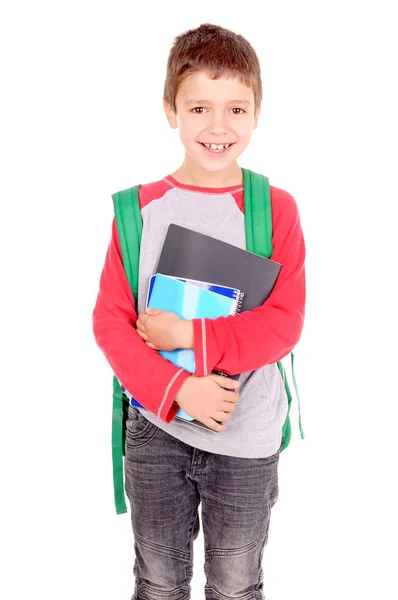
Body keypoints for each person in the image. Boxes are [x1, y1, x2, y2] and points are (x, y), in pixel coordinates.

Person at [92, 22, 306, 600]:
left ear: (257, 112)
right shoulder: (137, 211)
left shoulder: (274, 209)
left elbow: (284, 320)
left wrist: (189, 332)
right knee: (158, 583)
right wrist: (179, 389)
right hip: (156, 433)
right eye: (199, 107)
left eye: (236, 108)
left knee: (236, 586)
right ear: (171, 111)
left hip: (247, 437)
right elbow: (110, 322)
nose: (218, 126)